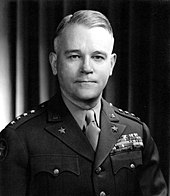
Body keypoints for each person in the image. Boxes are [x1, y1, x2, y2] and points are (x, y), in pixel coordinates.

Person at [0, 10, 167, 196]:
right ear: (55, 63)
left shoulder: (136, 132)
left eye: (97, 57)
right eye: (74, 56)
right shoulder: (20, 137)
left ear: (111, 65)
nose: (86, 68)